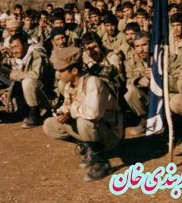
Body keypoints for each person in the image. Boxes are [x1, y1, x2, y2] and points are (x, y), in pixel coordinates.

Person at [42, 47, 122, 182]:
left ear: (74, 71)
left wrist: (70, 111)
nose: (58, 74)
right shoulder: (69, 86)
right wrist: (62, 113)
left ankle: (102, 161)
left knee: (83, 121)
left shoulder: (93, 82)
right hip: (93, 129)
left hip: (110, 134)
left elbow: (93, 113)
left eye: (62, 70)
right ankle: (88, 145)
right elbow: (68, 105)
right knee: (49, 124)